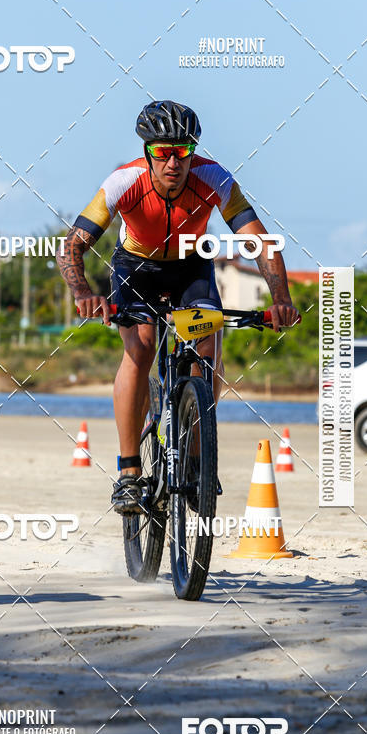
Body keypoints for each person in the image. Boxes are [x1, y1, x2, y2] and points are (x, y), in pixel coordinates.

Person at [56, 100, 299, 512]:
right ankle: (130, 471)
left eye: (182, 152)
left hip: (191, 265)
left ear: (193, 152)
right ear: (148, 152)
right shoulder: (123, 181)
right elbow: (72, 248)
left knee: (207, 341)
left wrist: (281, 300)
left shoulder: (214, 178)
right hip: (137, 268)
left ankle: (197, 454)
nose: (174, 162)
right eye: (163, 152)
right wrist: (82, 293)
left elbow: (259, 242)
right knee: (142, 347)